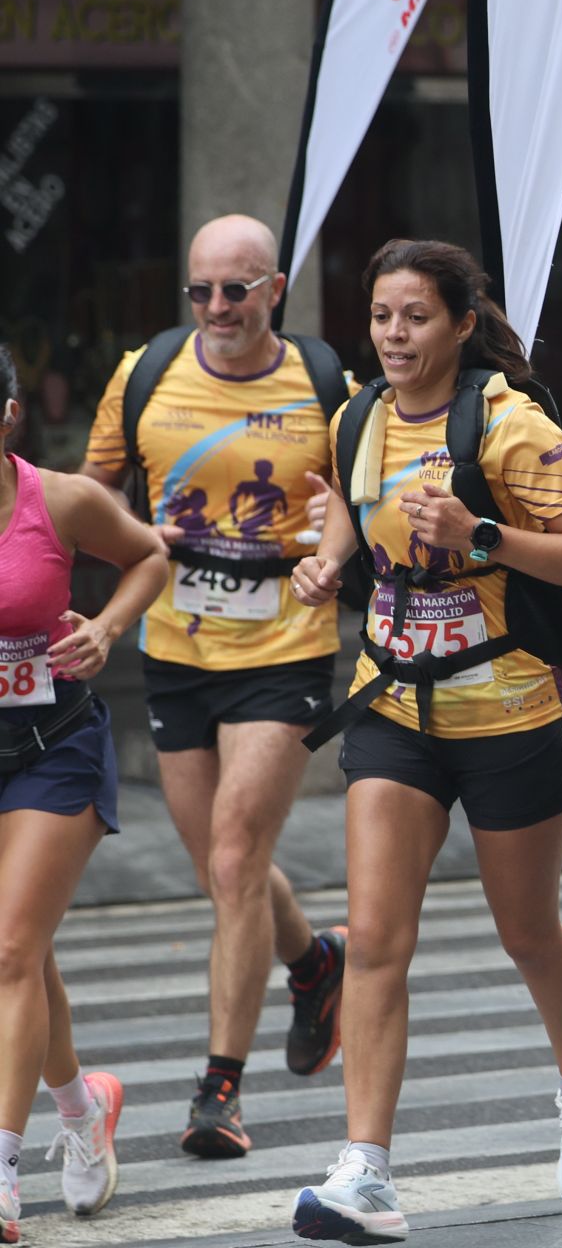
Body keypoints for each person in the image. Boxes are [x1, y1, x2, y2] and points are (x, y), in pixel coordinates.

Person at [287, 240, 562, 1238]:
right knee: (378, 938)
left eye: (416, 318)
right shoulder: (358, 415)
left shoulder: (511, 425)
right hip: (392, 708)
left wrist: (481, 534)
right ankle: (366, 1170)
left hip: (510, 711)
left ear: (462, 323)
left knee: (527, 929)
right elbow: (353, 518)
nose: (396, 336)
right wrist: (324, 561)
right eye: (384, 316)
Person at [81, 215, 349, 1157]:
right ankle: (316, 964)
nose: (218, 308)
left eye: (236, 290)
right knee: (220, 870)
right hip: (176, 650)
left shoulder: (325, 385)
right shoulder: (146, 373)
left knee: (237, 857)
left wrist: (336, 534)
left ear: (275, 289)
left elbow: (366, 499)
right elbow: (94, 491)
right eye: (202, 291)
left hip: (286, 645)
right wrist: (129, 545)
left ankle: (218, 1091)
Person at [0, 346, 167, 1241]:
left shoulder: (58, 498)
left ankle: (1, 1173)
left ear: (8, 417)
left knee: (10, 949)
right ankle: (81, 1112)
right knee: (24, 956)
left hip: (53, 745)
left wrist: (104, 627)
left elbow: (148, 557)